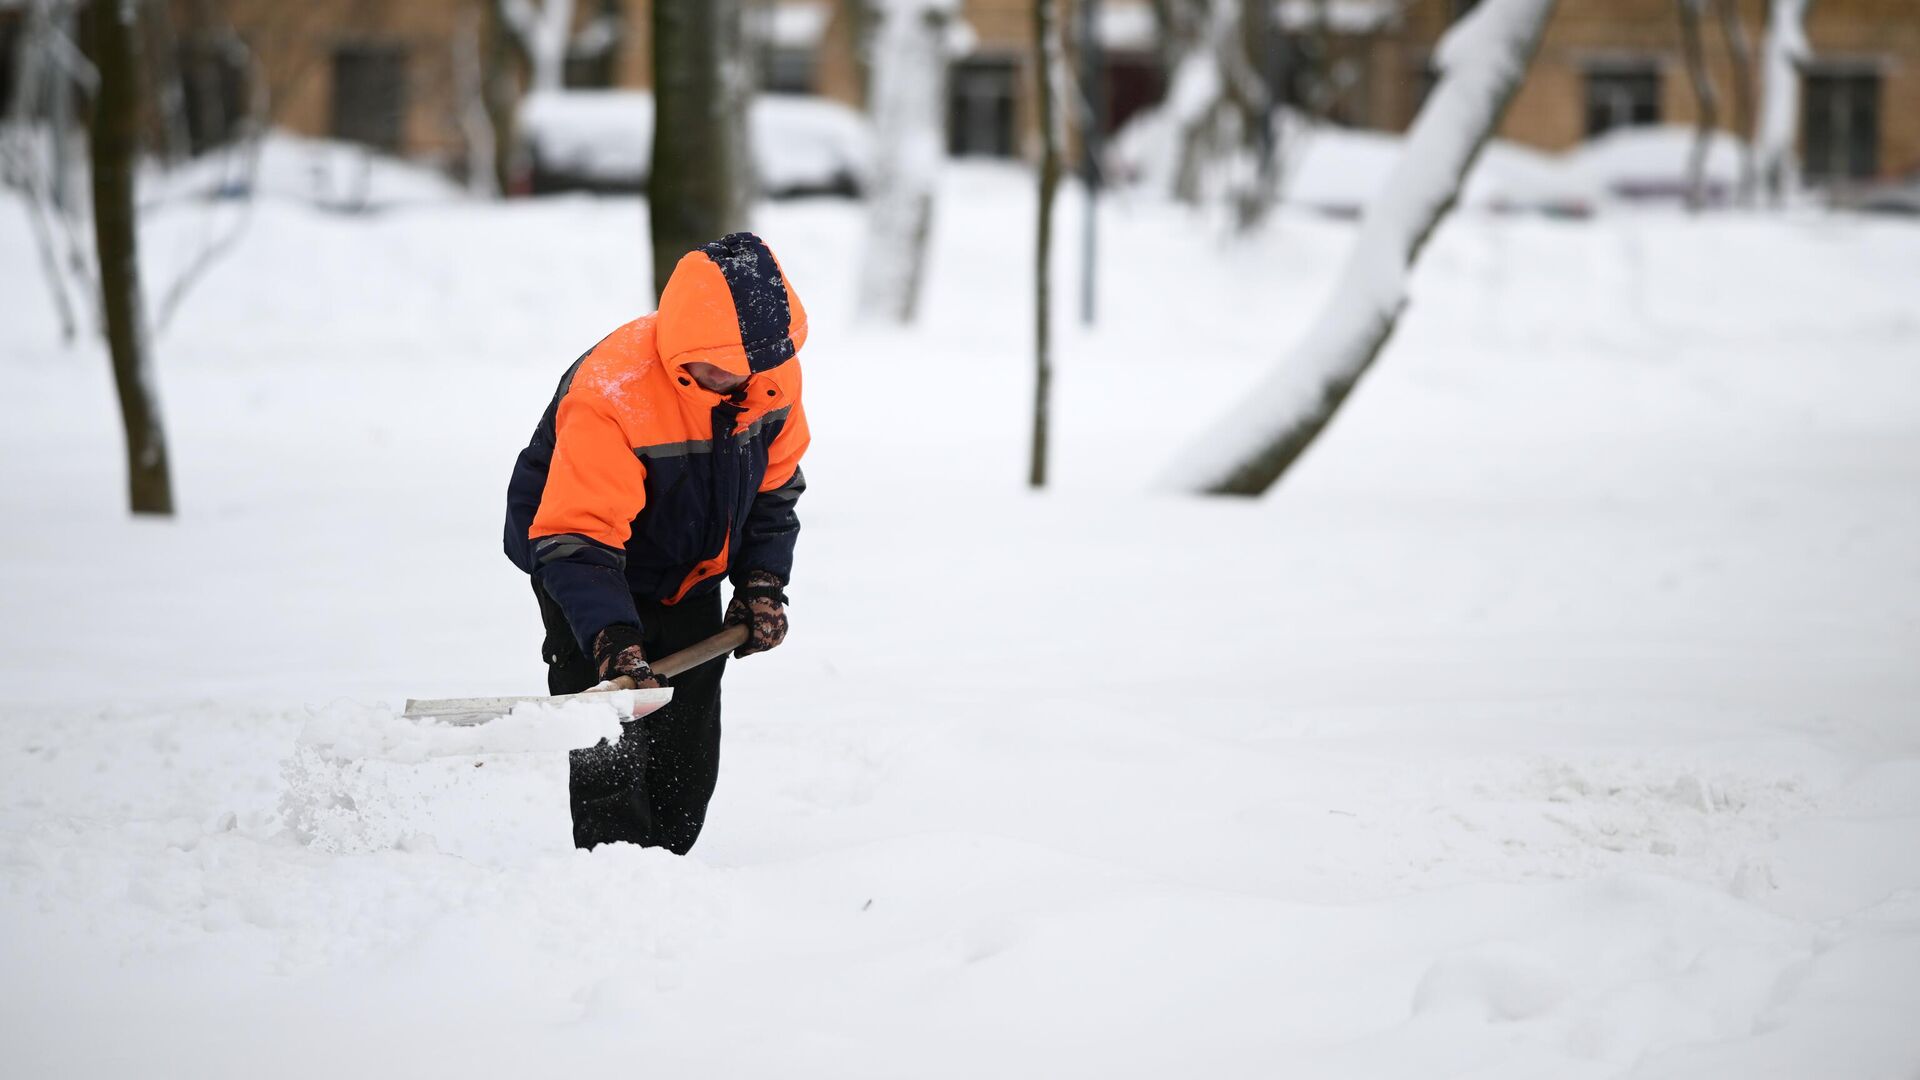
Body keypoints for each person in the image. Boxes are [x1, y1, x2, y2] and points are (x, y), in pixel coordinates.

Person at [503, 232, 809, 854]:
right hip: (581, 563)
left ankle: (670, 877)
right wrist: (612, 640)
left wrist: (760, 583)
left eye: (751, 363)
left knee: (685, 757)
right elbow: (577, 532)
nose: (740, 378)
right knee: (610, 743)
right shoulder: (613, 393)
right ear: (686, 347)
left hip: (689, 566)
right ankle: (610, 883)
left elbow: (775, 491)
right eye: (724, 363)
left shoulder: (767, 376)